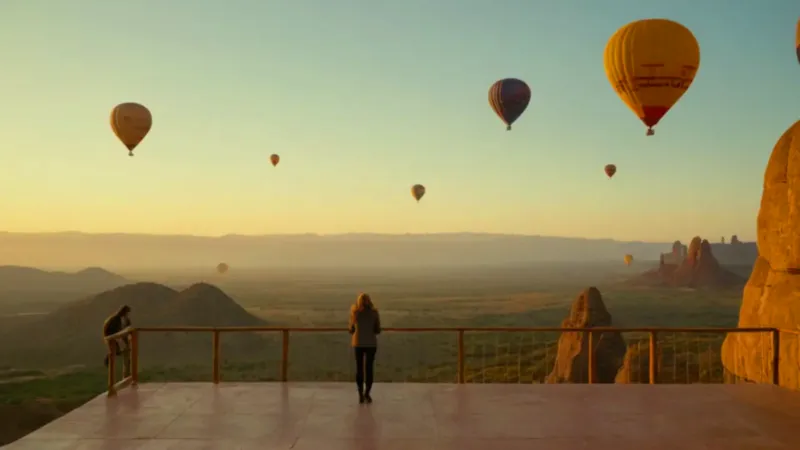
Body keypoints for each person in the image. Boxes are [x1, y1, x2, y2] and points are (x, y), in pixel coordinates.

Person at [348, 293, 381, 404]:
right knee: (369, 369)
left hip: (358, 343)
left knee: (359, 369)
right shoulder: (374, 313)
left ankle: (360, 394)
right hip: (371, 343)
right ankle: (367, 393)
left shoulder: (355, 313)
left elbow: (351, 329)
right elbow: (377, 330)